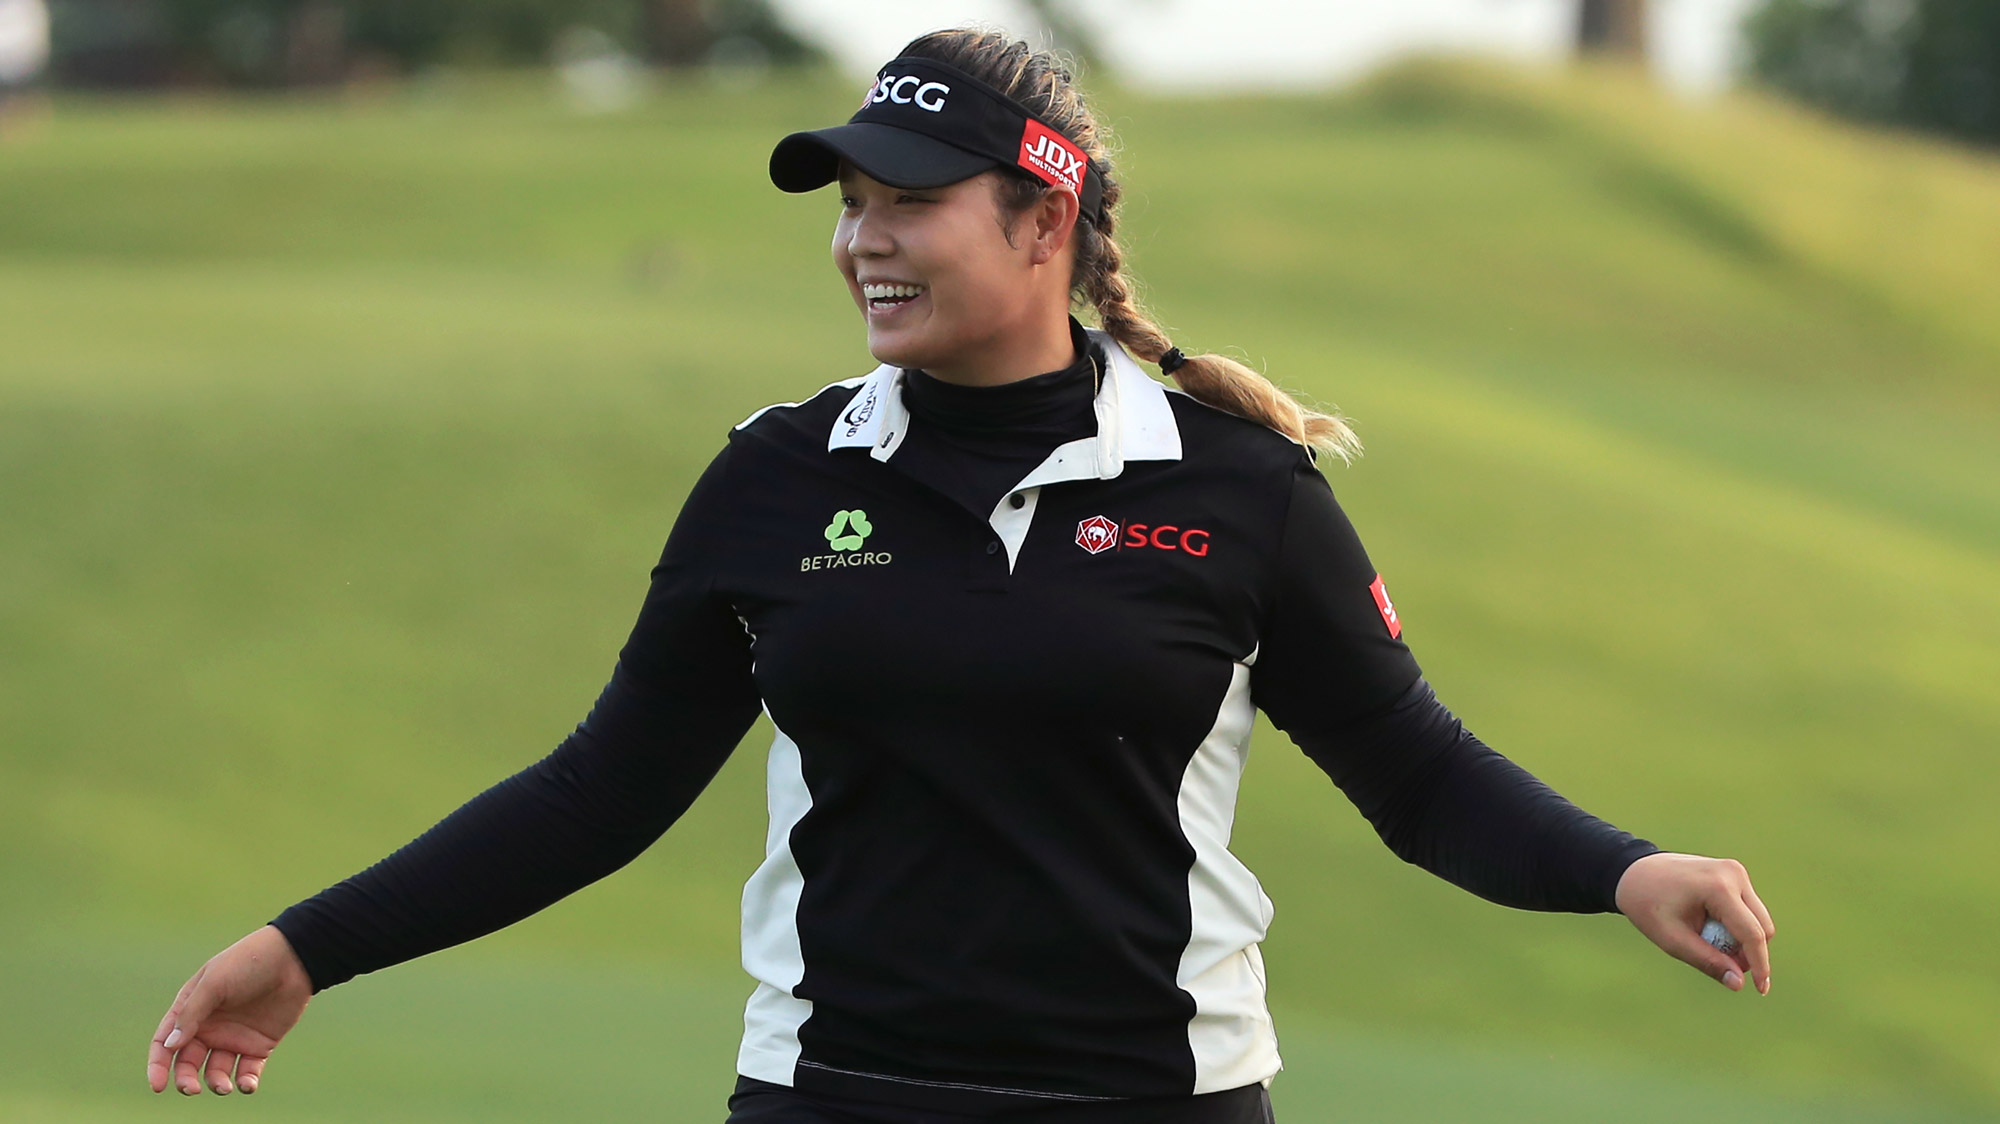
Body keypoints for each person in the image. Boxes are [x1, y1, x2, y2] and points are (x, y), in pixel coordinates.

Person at [146, 28, 1776, 1123]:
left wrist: (1621, 869)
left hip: (1162, 1098)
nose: (865, 240)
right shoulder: (775, 478)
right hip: (834, 1092)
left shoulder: (1236, 492)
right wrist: (305, 948)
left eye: (909, 204)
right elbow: (600, 793)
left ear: (1041, 224)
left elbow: (1417, 774)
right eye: (852, 208)